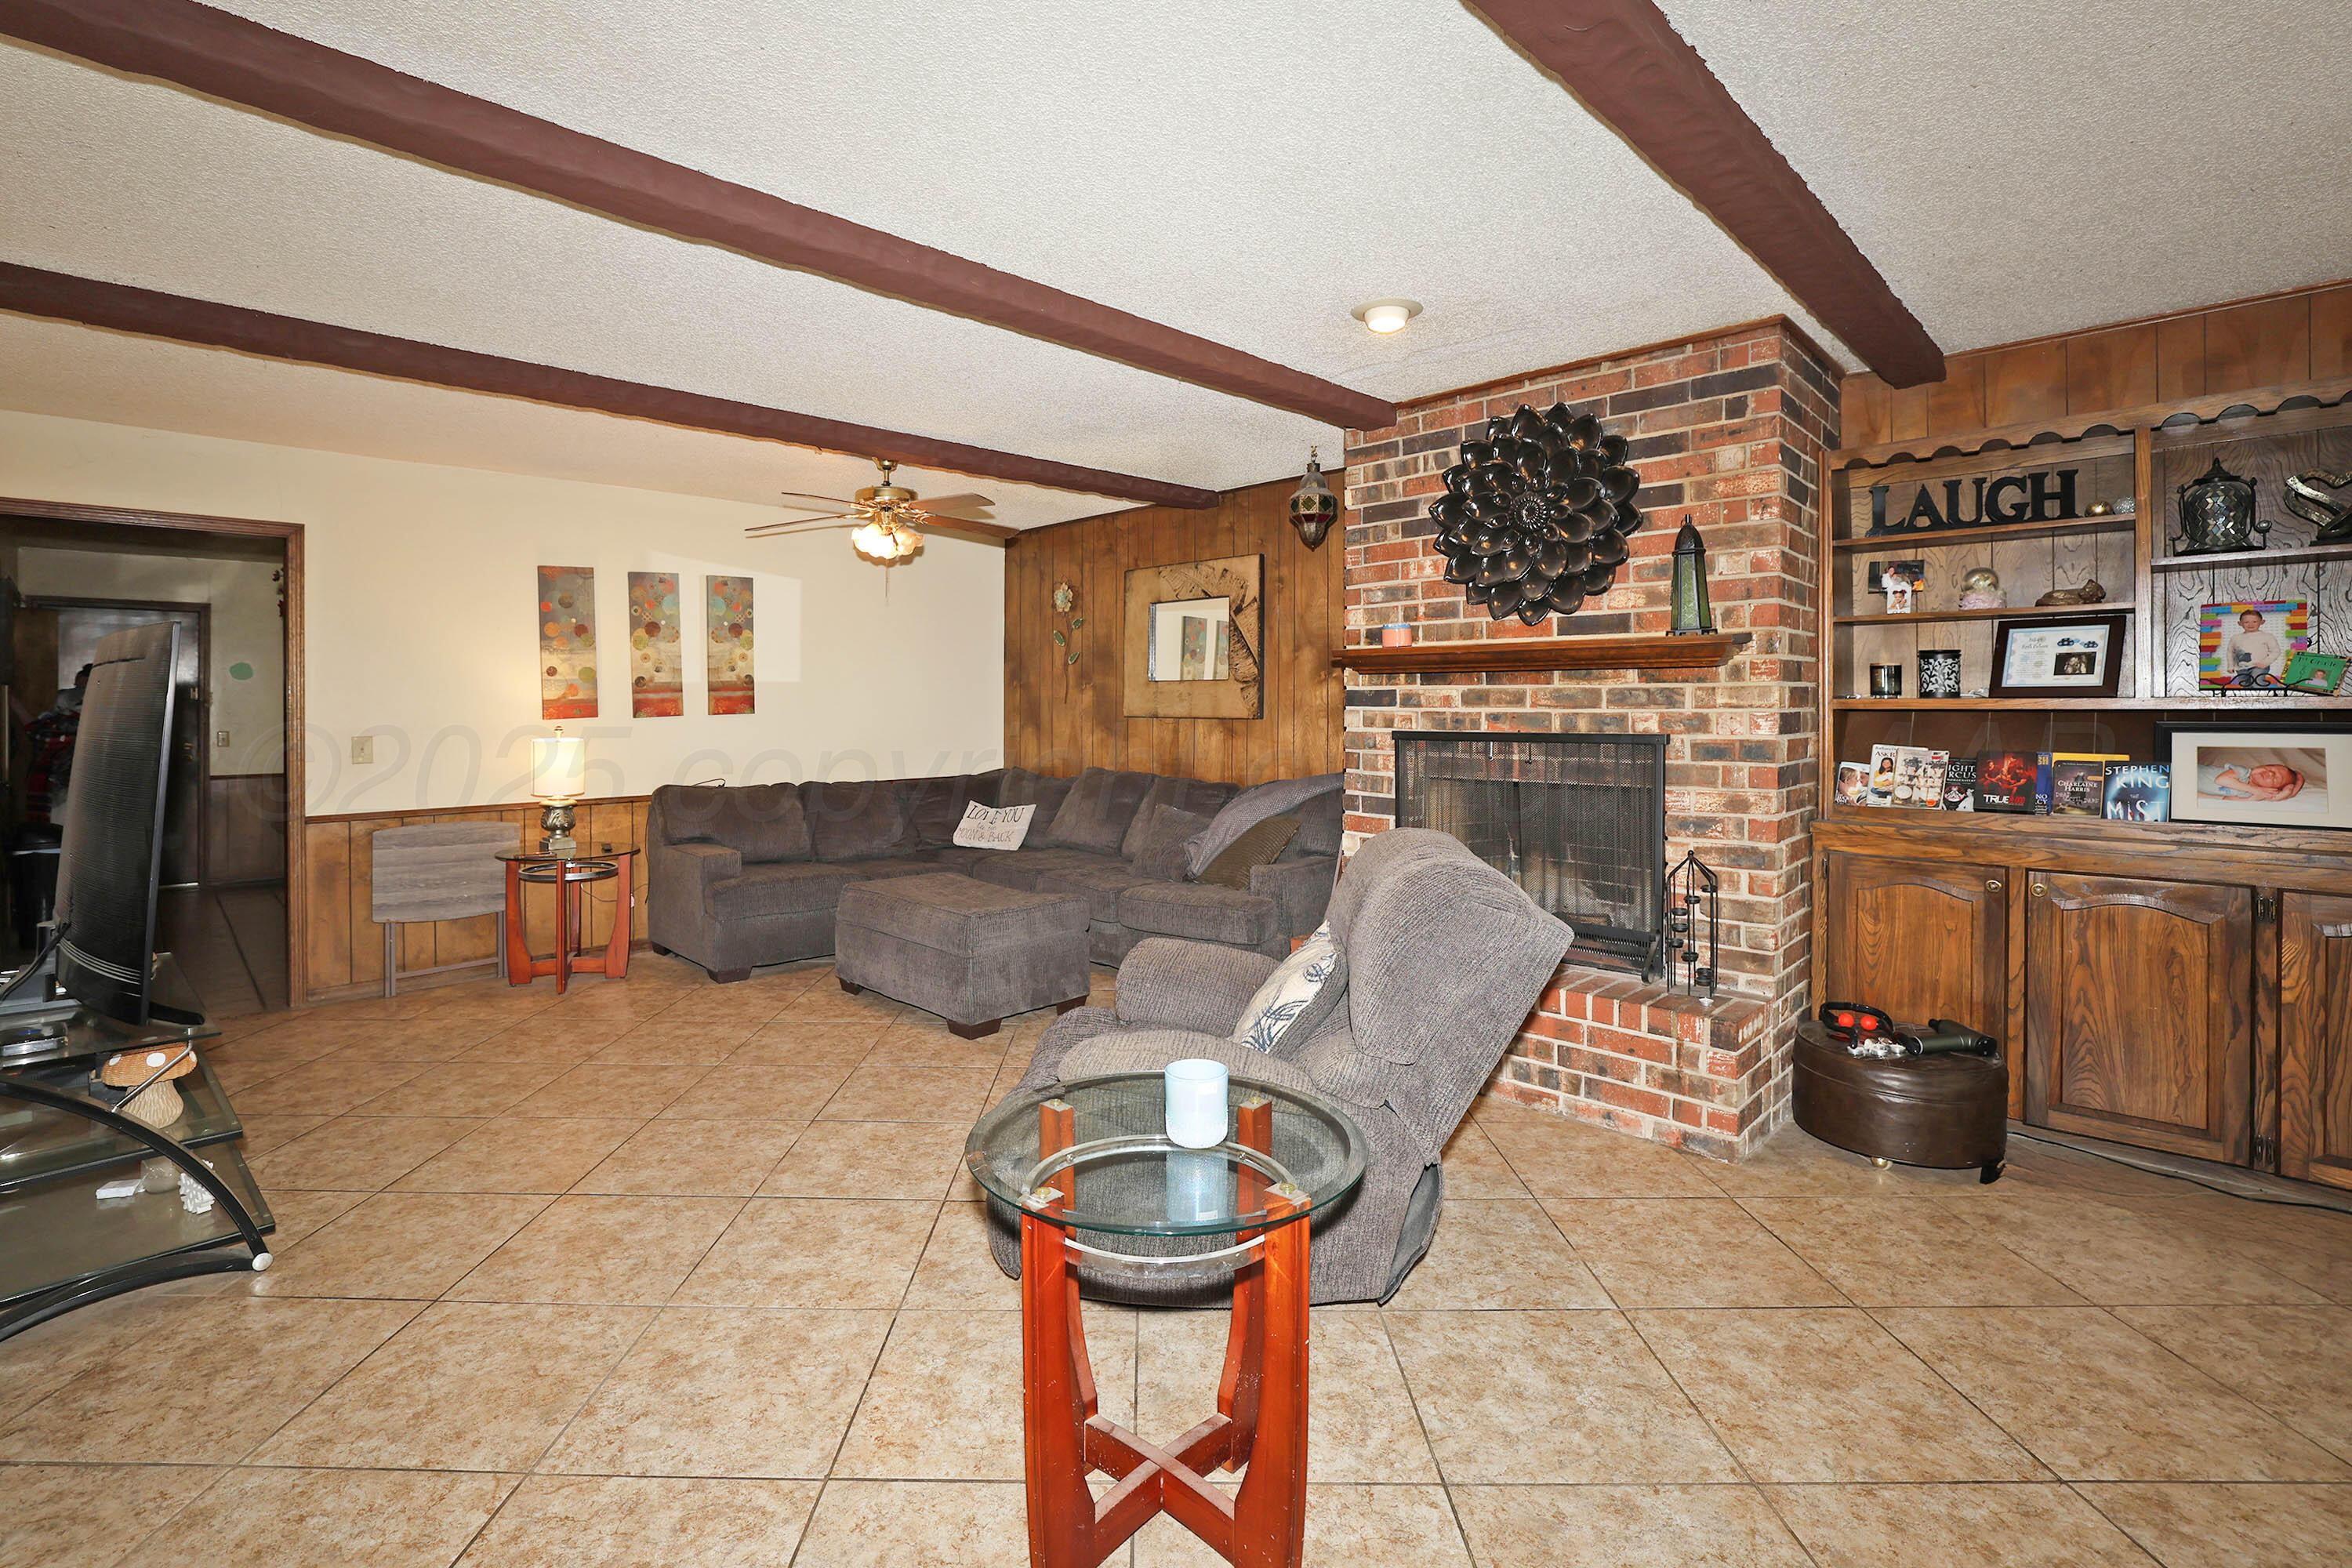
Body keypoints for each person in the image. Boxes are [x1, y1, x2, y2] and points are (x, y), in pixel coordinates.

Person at [2221, 608, 2286, 687]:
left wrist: (2265, 663)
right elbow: (2230, 652)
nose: (2250, 625)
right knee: (2246, 687)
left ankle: (2262, 698)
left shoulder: (2267, 636)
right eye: (2246, 622)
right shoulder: (2235, 638)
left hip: (2259, 666)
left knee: (2257, 684)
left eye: (2255, 622)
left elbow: (2276, 651)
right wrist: (2230, 666)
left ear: (2262, 622)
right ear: (2240, 623)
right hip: (2241, 668)